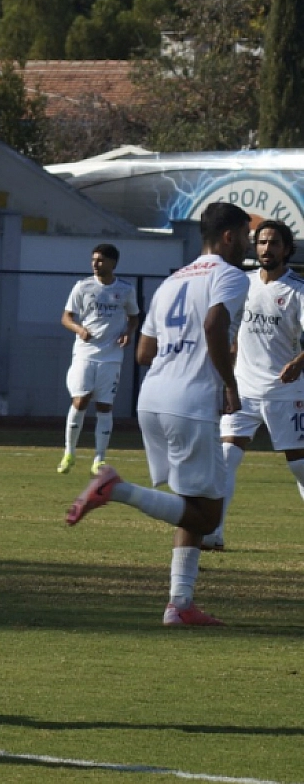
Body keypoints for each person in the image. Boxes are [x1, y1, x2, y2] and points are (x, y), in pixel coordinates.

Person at [66, 201, 251, 626]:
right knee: (208, 515)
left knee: (191, 506)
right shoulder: (229, 276)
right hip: (191, 401)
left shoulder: (174, 280)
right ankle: (117, 489)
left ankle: (179, 604)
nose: (246, 244)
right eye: (244, 235)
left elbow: (145, 352)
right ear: (229, 236)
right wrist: (229, 383)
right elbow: (213, 325)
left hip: (153, 397)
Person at [201, 220, 303, 551]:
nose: (265, 249)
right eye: (260, 242)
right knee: (226, 458)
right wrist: (223, 376)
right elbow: (230, 336)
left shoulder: (296, 291)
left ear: (287, 249)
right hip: (243, 389)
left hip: (285, 392)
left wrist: (299, 363)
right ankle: (213, 533)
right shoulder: (242, 284)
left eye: (273, 243)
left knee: (300, 466)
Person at [58, 244, 139, 475]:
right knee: (80, 400)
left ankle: (99, 459)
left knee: (105, 406)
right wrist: (79, 329)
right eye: (93, 259)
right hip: (85, 353)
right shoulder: (83, 287)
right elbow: (66, 317)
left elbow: (134, 317)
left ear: (113, 263)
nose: (95, 264)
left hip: (111, 356)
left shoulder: (125, 289)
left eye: (101, 260)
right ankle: (69, 452)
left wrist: (128, 333)